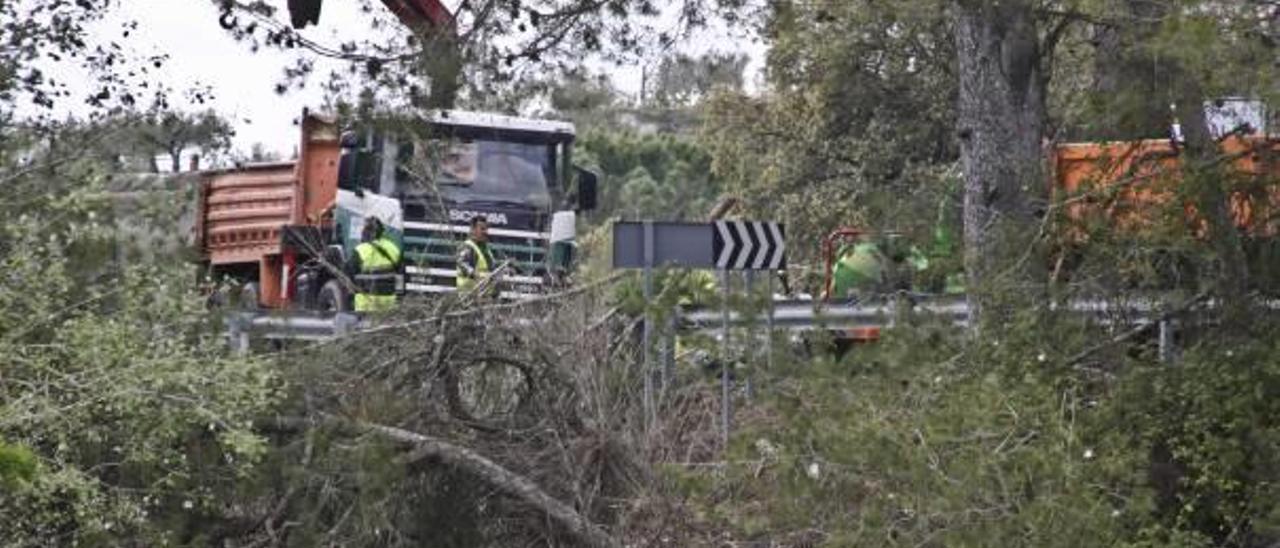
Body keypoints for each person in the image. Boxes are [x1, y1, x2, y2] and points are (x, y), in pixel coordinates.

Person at [344, 216, 402, 312]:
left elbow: (348, 275)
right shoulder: (393, 248)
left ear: (366, 232)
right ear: (382, 232)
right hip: (389, 302)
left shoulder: (361, 250)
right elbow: (400, 276)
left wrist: (351, 295)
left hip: (366, 303)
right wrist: (399, 296)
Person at [456, 215, 499, 297]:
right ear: (473, 229)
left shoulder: (486, 249)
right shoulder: (467, 247)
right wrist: (476, 274)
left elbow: (491, 270)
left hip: (484, 295)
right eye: (482, 229)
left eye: (486, 229)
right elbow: (462, 264)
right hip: (469, 296)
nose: (485, 232)